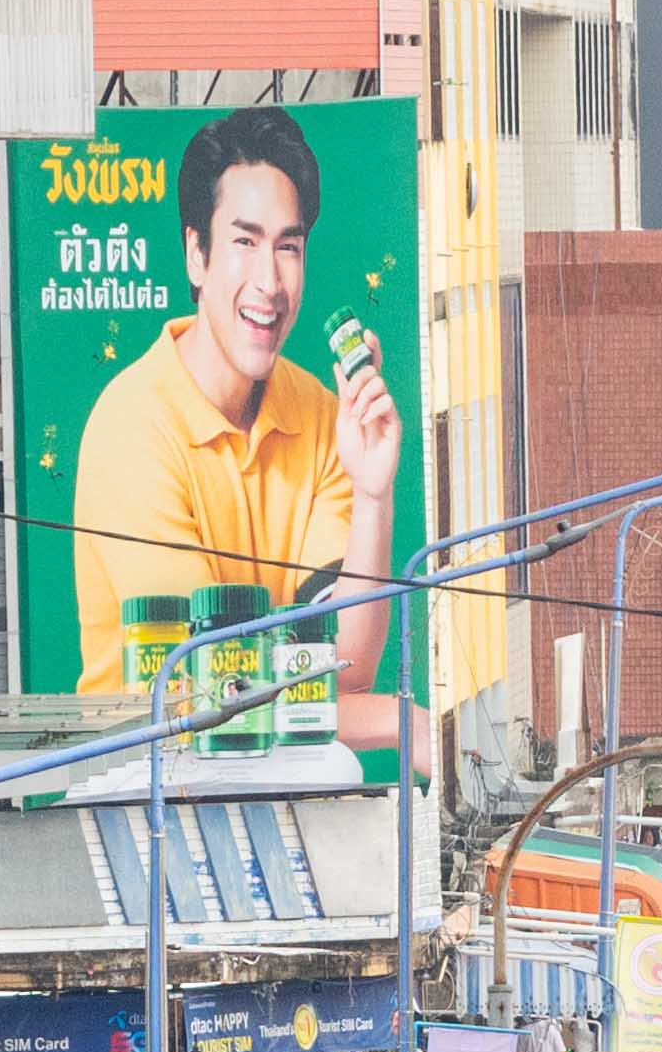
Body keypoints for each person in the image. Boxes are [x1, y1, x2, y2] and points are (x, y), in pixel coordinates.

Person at [46, 107, 399, 720]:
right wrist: (401, 722)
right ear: (196, 255)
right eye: (244, 242)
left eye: (288, 247)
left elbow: (344, 669)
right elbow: (212, 690)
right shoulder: (132, 426)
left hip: (273, 786)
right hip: (150, 789)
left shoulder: (320, 414)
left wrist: (372, 495)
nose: (269, 280)